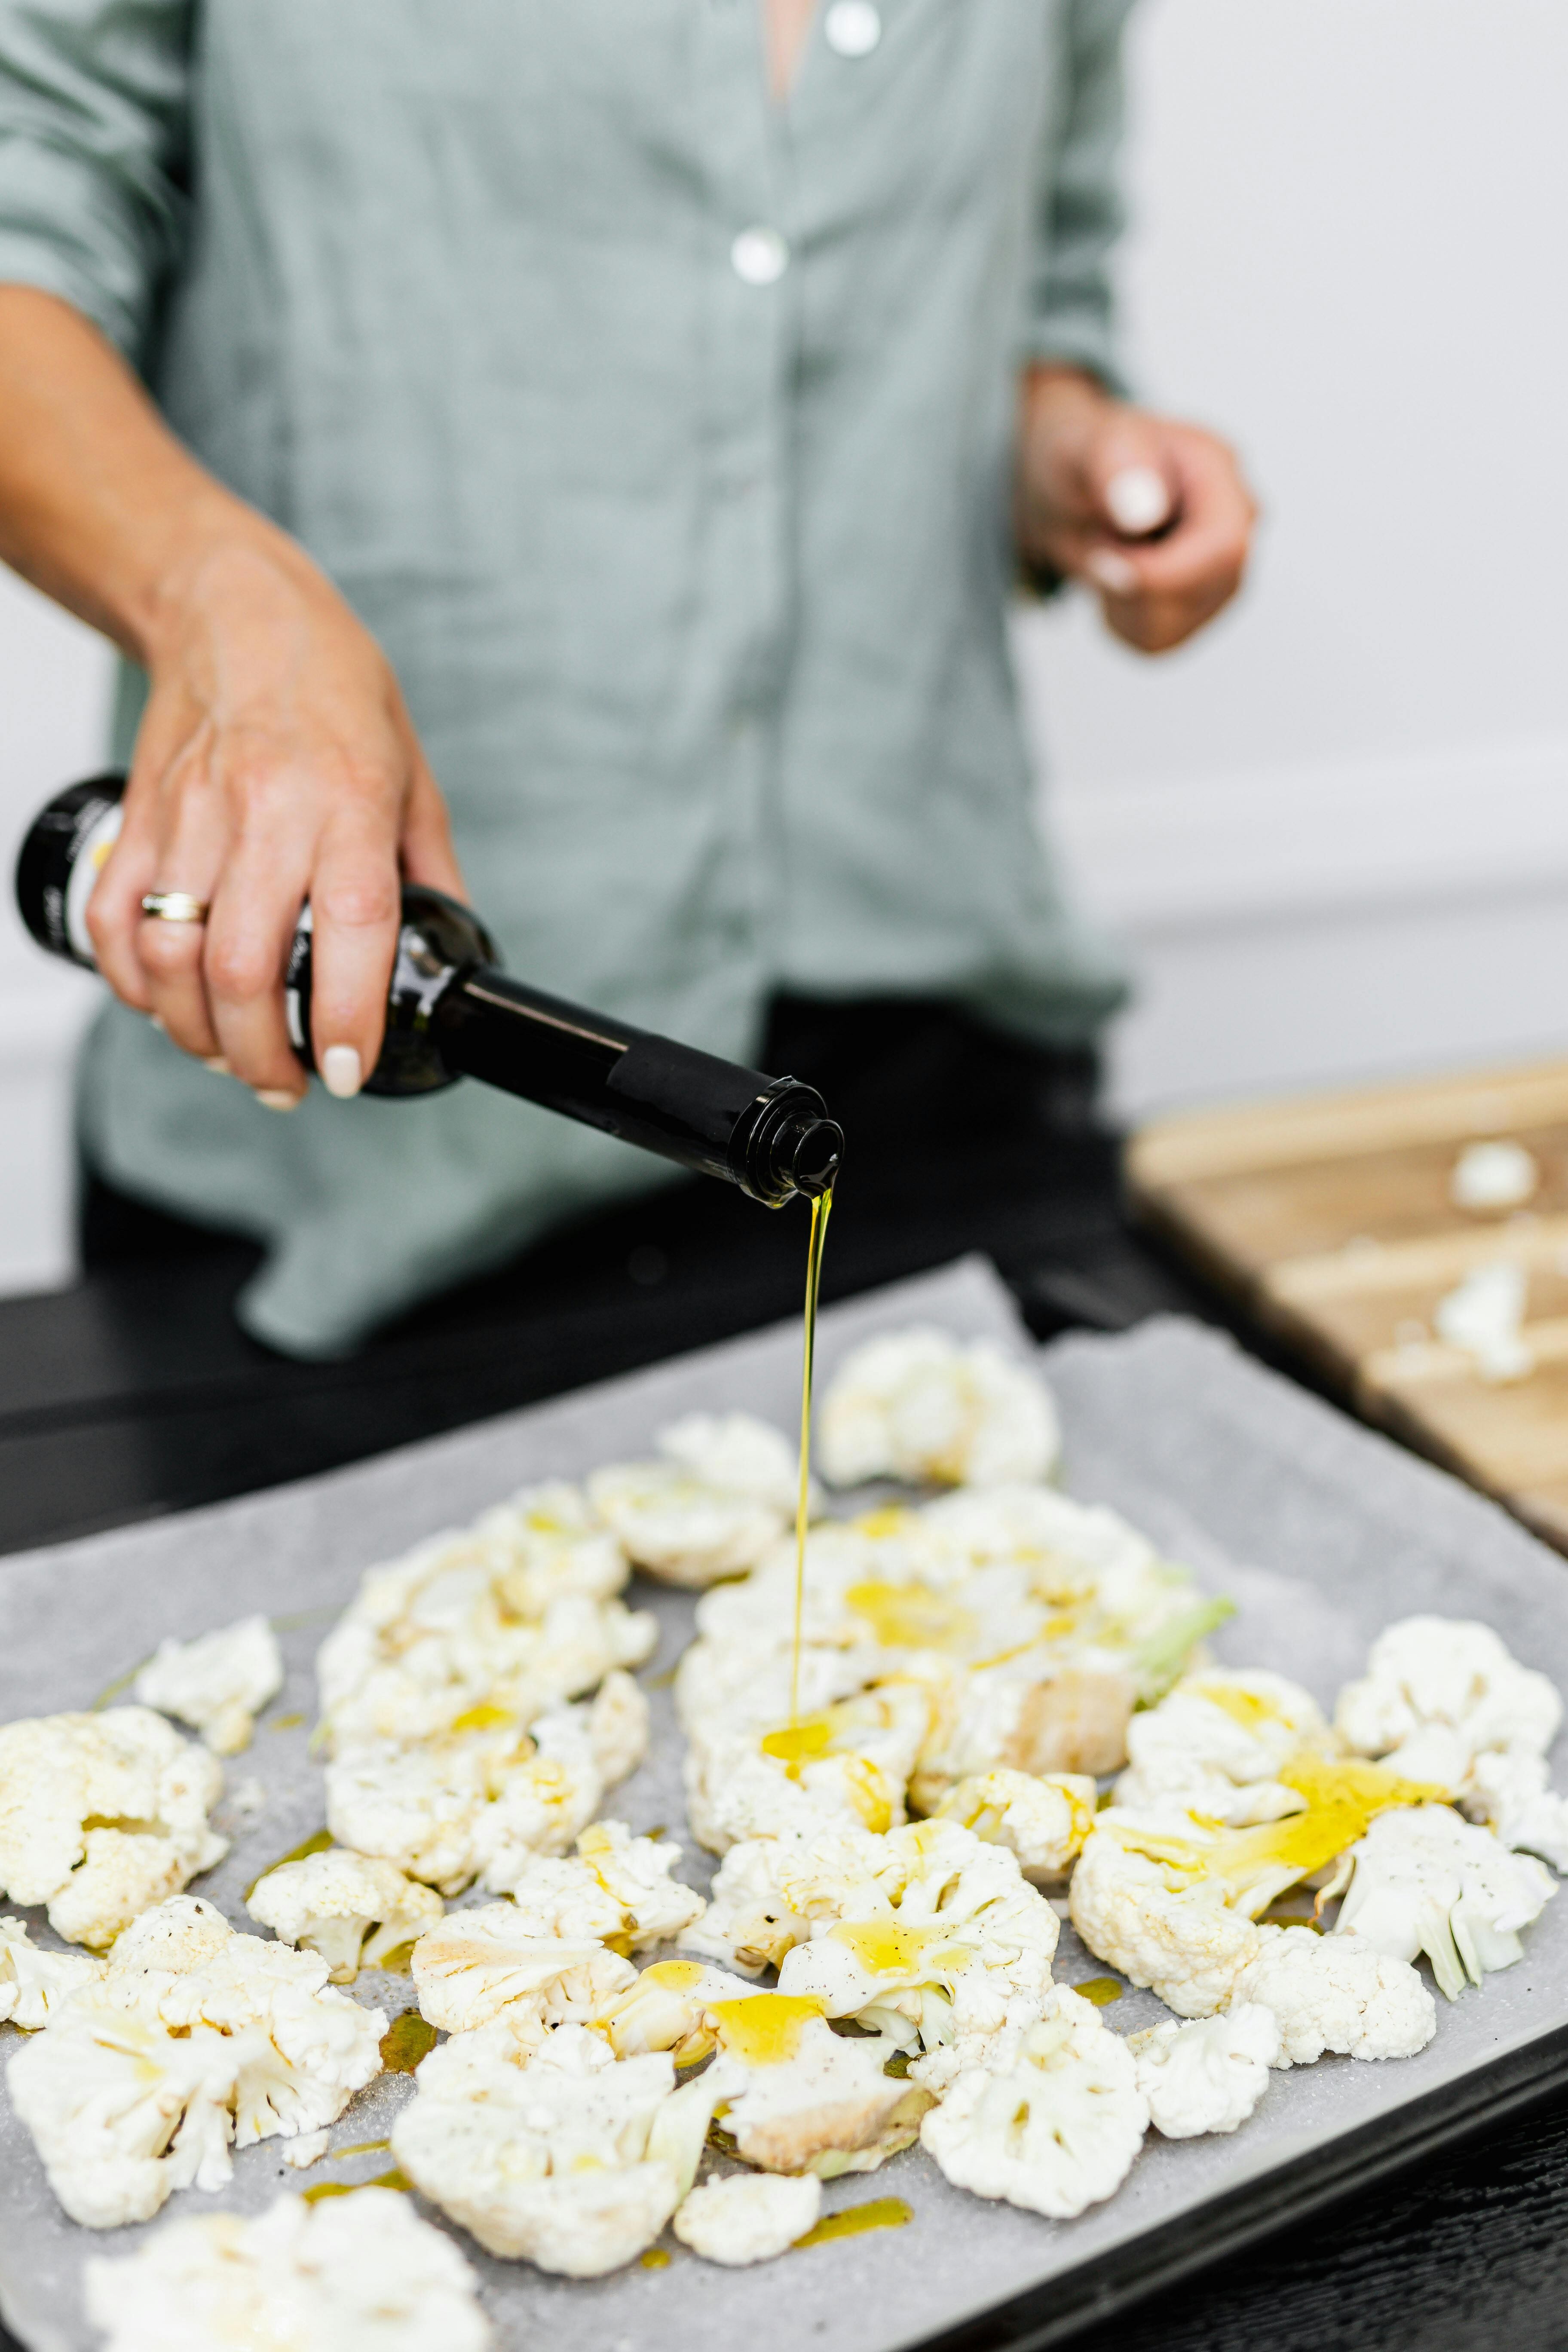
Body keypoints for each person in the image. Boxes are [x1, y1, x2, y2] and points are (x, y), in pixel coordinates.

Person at [0, 0, 1253, 1357]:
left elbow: (1027, 302)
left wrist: (1069, 450)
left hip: (941, 1086)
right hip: (376, 1125)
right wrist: (222, 595)